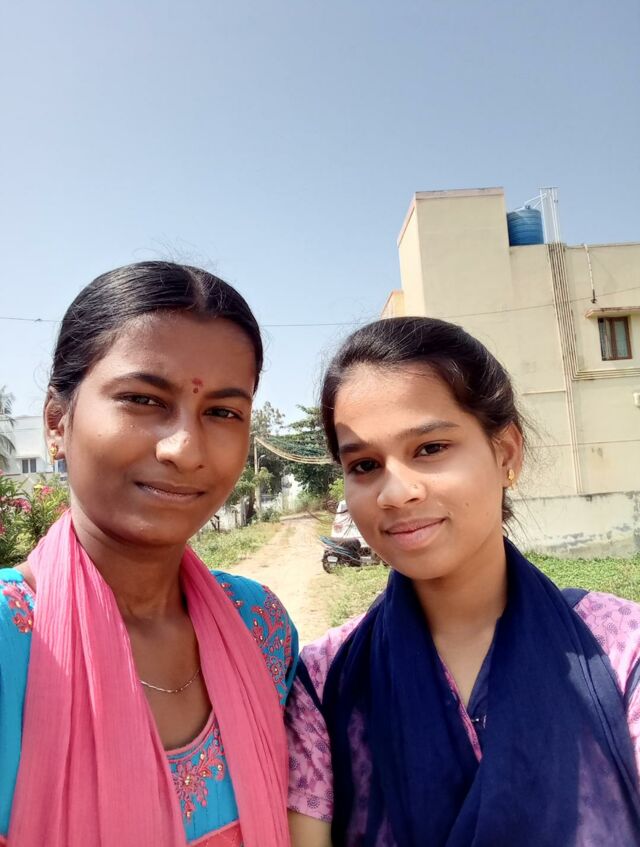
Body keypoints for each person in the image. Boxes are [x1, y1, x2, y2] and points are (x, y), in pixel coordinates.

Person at [286, 316, 640, 847]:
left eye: (430, 449)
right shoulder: (323, 680)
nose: (395, 493)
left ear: (507, 453)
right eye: (364, 464)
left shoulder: (620, 650)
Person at [0, 261, 297, 847]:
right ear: (57, 423)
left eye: (223, 412)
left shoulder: (261, 627)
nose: (184, 448)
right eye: (142, 399)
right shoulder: (9, 640)